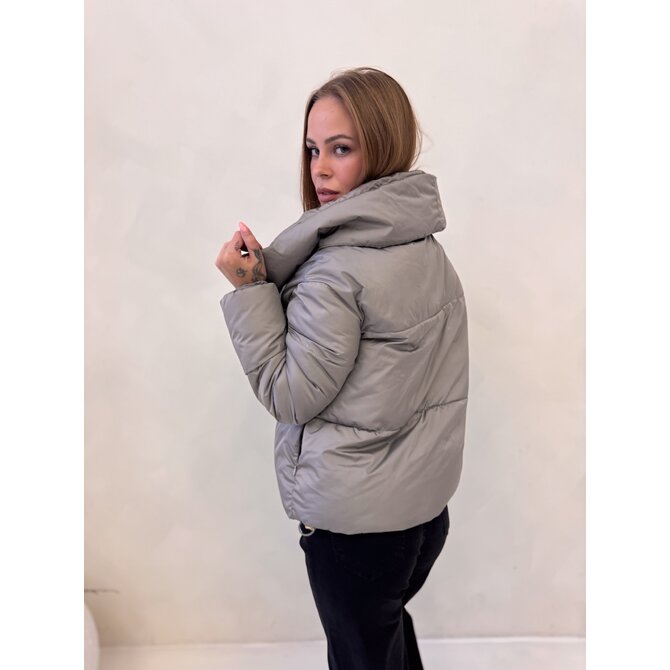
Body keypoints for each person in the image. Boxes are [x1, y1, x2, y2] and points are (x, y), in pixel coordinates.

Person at [214, 67, 468, 670]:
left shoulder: (335, 273)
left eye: (341, 149)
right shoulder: (424, 249)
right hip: (422, 517)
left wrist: (250, 291)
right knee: (384, 638)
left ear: (383, 147)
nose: (320, 170)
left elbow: (290, 394)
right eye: (312, 150)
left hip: (357, 532)